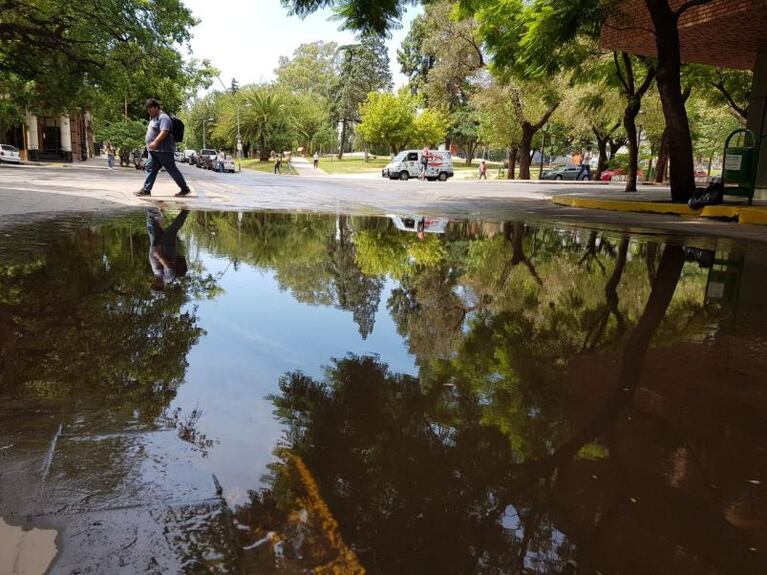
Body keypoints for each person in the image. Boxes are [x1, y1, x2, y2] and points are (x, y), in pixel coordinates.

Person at [134, 98, 191, 197]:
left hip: (163, 150)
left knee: (171, 169)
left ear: (156, 107)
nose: (149, 111)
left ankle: (185, 189)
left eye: (150, 109)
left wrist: (155, 142)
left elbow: (164, 131)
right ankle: (146, 190)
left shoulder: (163, 117)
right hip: (154, 150)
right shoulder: (154, 118)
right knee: (150, 168)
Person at [145, 207, 189, 291]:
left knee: (151, 225)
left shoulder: (156, 274)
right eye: (158, 286)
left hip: (155, 245)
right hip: (167, 247)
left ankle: (153, 208)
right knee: (173, 229)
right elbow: (169, 267)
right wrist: (159, 256)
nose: (156, 284)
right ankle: (185, 211)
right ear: (163, 285)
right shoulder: (168, 278)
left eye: (154, 284)